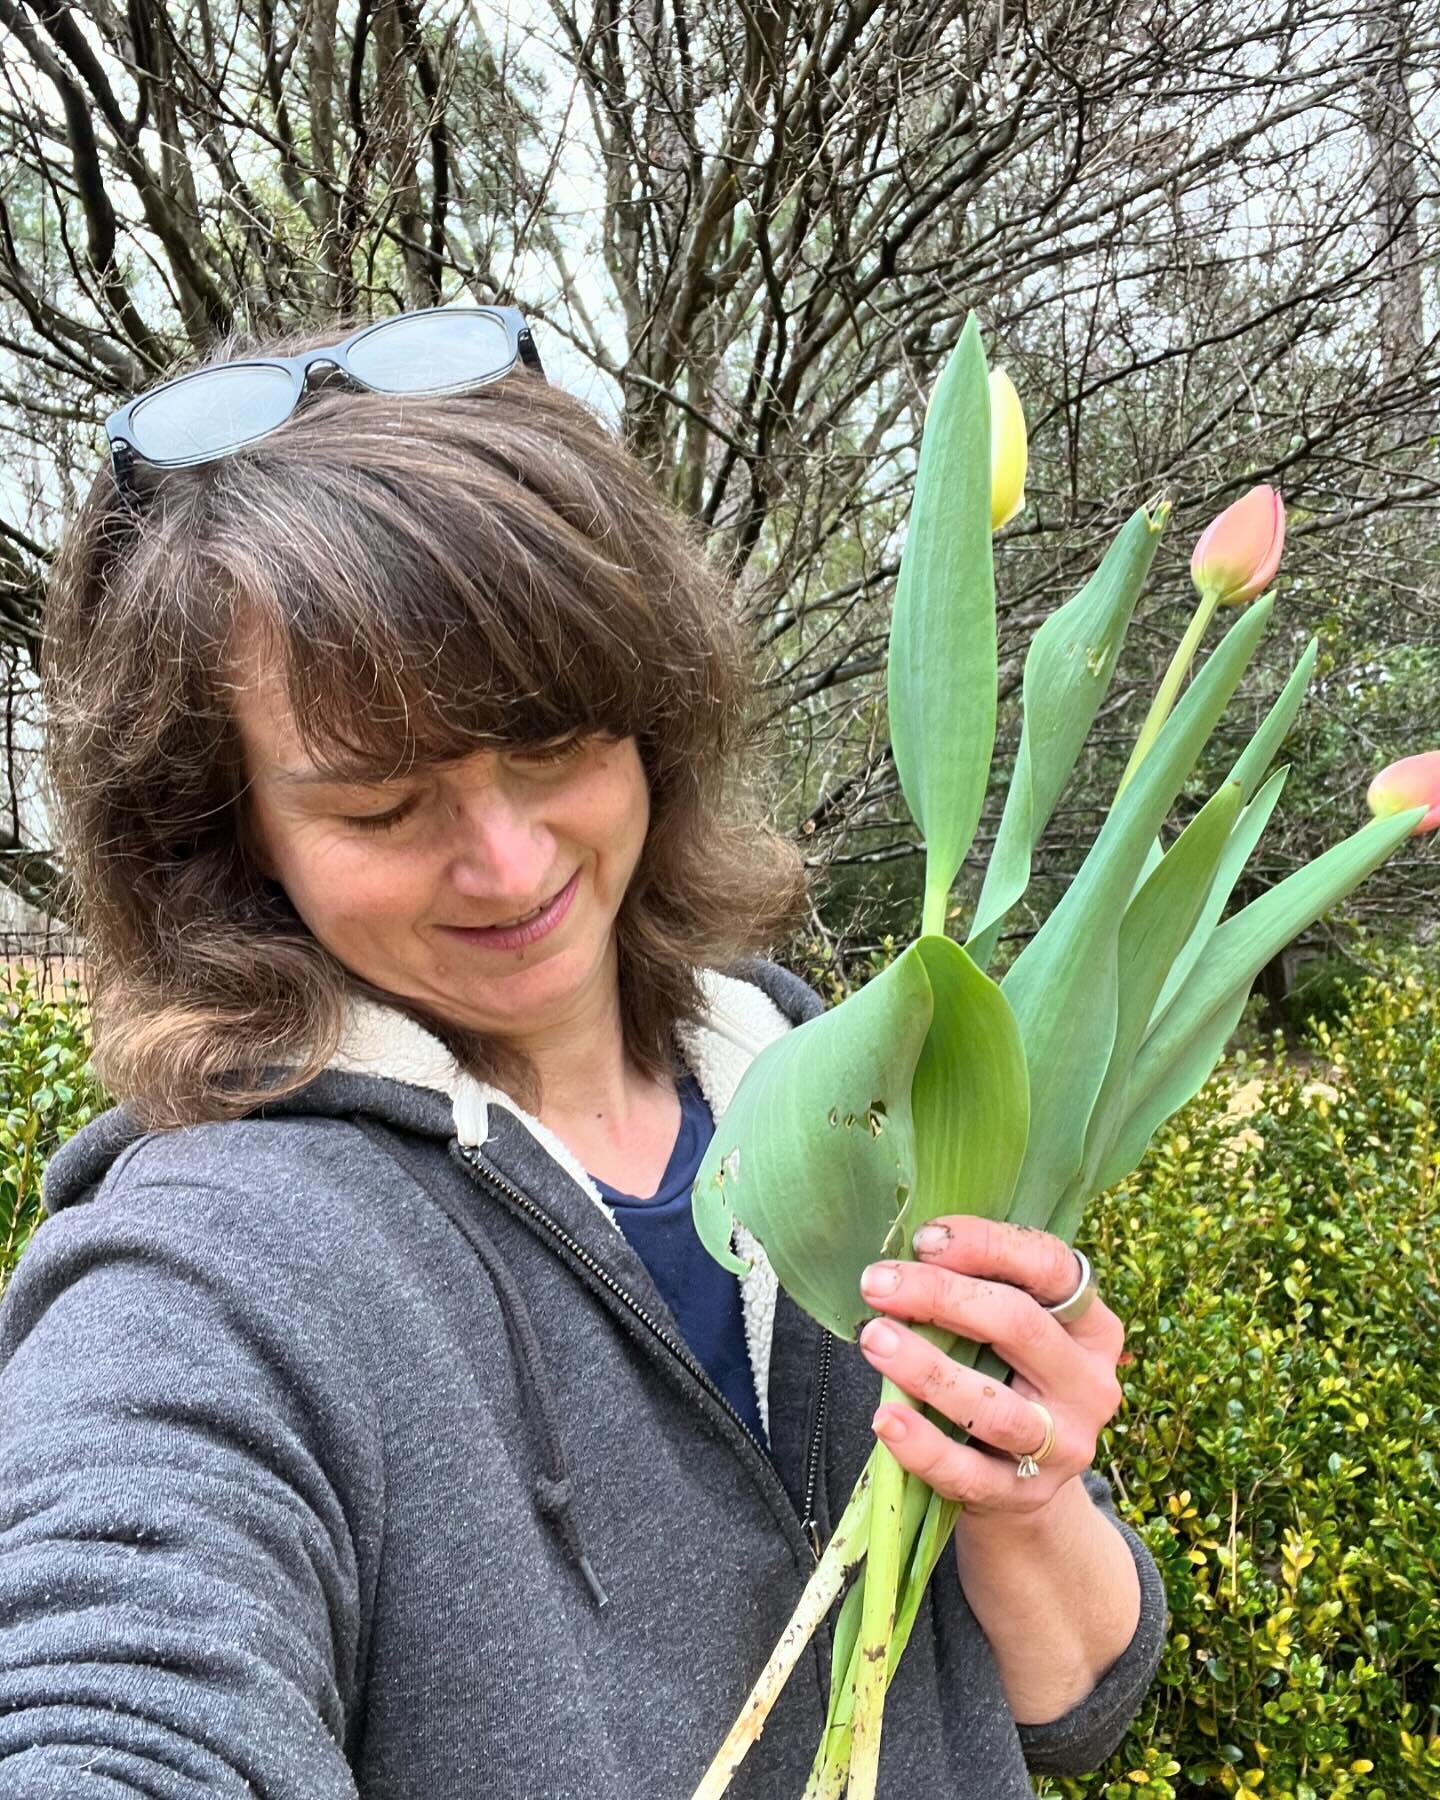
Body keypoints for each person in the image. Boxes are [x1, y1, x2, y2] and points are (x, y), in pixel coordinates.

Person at [0, 304, 1167, 1798]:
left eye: (552, 747)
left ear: (652, 717)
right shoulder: (217, 1269)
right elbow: (109, 1688)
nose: (507, 862)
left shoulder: (841, 1084)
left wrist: (1024, 1486)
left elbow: (1075, 1698)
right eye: (378, 807)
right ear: (231, 837)